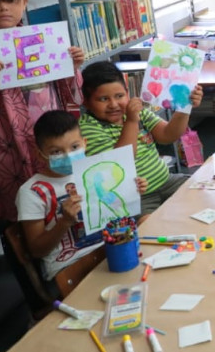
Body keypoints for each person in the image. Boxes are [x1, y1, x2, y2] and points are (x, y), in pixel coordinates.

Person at [0, 0, 85, 228]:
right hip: (0, 139)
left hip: (45, 129)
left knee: (57, 186)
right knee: (18, 203)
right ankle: (24, 248)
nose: (3, 8)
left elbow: (67, 91)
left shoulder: (40, 38)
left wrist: (71, 65)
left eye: (11, 0)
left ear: (24, 2)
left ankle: (67, 244)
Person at [17, 110, 147, 287]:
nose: (68, 155)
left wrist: (131, 190)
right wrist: (64, 222)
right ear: (40, 154)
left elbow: (114, 209)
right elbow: (37, 250)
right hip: (71, 268)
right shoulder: (31, 192)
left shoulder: (95, 170)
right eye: (56, 151)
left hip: (113, 251)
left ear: (85, 144)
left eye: (74, 147)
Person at [79, 61, 202, 215]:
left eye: (119, 96)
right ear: (87, 102)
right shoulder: (89, 128)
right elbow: (121, 162)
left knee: (203, 195)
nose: (113, 104)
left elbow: (168, 135)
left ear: (127, 93)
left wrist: (185, 106)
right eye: (103, 99)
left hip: (166, 181)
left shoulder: (135, 111)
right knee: (150, 229)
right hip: (134, 198)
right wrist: (131, 121)